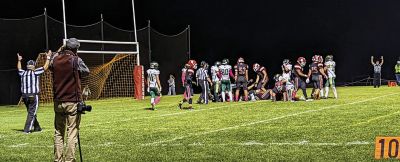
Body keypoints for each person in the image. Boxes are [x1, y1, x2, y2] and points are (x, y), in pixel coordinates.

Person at [50, 38, 90, 162]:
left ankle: (58, 159)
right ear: (76, 49)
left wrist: (59, 50)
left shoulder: (55, 60)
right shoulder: (76, 60)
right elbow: (86, 72)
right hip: (72, 101)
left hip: (58, 102)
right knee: (72, 133)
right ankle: (69, 160)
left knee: (58, 133)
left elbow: (51, 63)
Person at [17, 51, 51, 134]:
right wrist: (48, 58)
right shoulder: (35, 72)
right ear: (33, 66)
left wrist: (19, 60)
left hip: (24, 96)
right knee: (32, 113)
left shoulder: (23, 73)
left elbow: (19, 69)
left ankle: (37, 127)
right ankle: (27, 130)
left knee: (31, 111)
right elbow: (45, 67)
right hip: (33, 95)